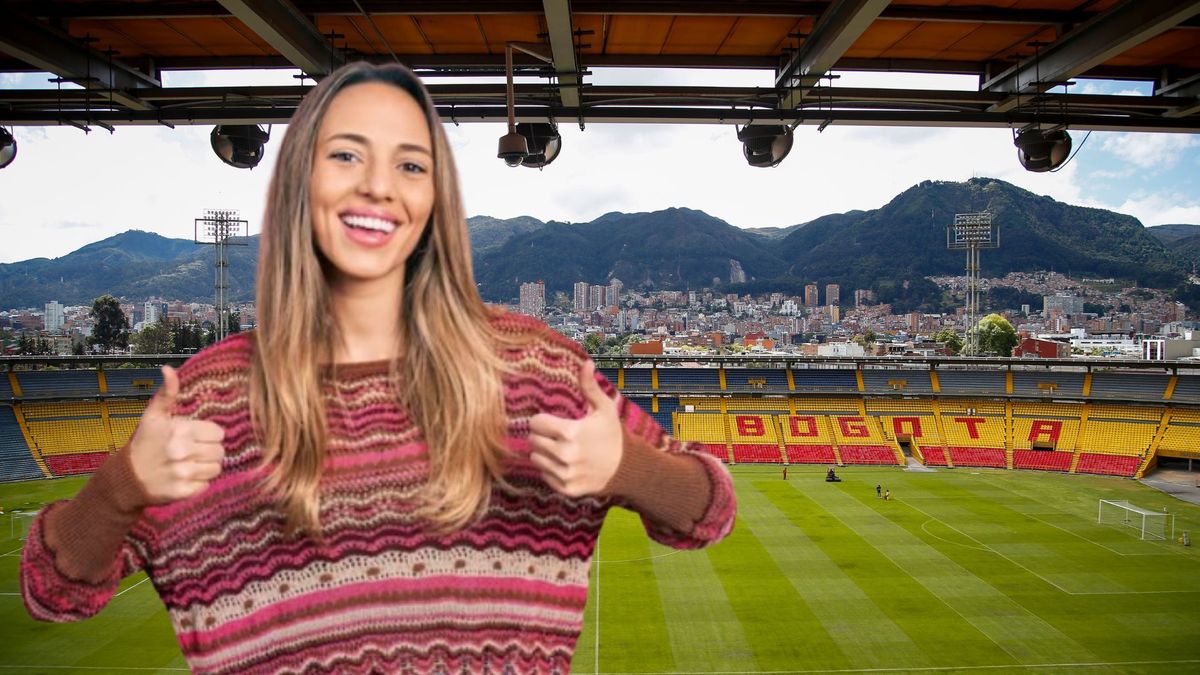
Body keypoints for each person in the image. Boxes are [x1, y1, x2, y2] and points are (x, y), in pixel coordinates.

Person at [20, 62, 736, 675]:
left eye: (410, 164)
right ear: (300, 179)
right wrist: (120, 489)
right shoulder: (209, 399)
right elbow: (53, 591)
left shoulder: (539, 368)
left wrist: (627, 468)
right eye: (346, 156)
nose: (378, 187)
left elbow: (710, 509)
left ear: (434, 199)